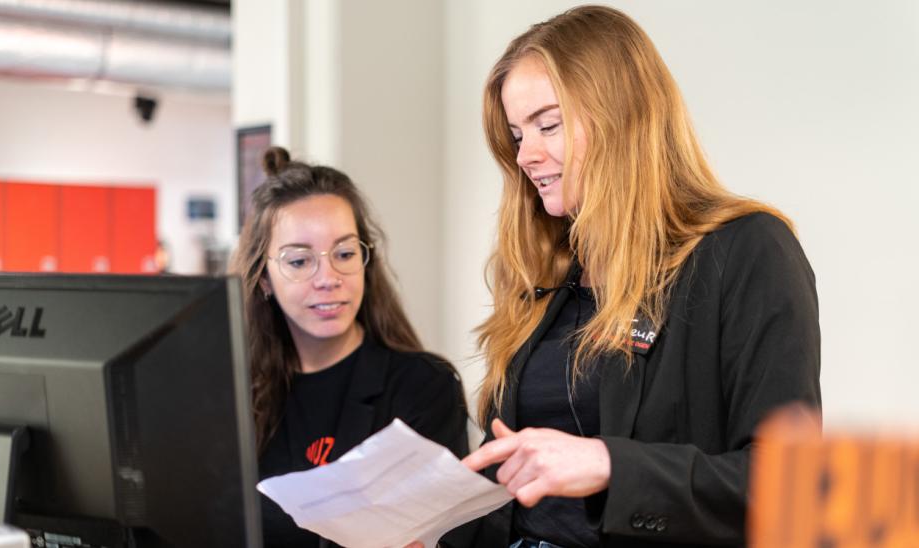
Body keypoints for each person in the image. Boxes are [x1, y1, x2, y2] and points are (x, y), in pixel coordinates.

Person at [454, 5, 821, 547]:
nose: (525, 156)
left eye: (547, 125)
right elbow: (512, 491)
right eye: (516, 135)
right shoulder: (548, 269)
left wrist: (609, 464)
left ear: (622, 115)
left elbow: (789, 485)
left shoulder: (746, 251)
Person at [230, 147, 469, 548]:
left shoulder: (423, 387)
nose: (328, 277)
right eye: (299, 261)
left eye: (344, 254)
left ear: (364, 260)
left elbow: (450, 537)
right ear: (265, 279)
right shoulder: (234, 396)